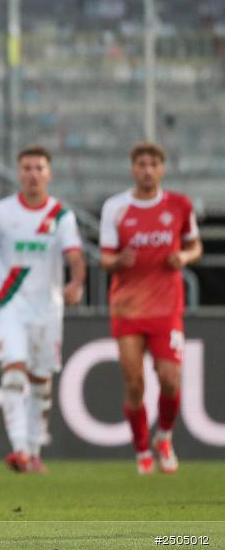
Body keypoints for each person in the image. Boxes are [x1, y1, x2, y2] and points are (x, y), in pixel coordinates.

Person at [0, 145, 85, 473]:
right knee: (14, 371)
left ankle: (32, 449)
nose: (32, 174)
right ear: (19, 173)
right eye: (26, 168)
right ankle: (19, 449)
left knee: (42, 381)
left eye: (39, 168)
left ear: (49, 174)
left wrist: (77, 282)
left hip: (48, 309)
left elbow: (75, 256)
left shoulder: (62, 216)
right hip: (9, 305)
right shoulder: (1, 213)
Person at [99, 142, 202, 475]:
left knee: (170, 380)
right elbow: (104, 258)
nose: (146, 169)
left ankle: (164, 437)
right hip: (127, 308)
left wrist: (183, 257)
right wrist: (117, 261)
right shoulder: (115, 207)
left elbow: (195, 245)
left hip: (167, 307)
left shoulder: (179, 205)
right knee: (134, 385)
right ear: (132, 168)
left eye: (153, 164)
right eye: (141, 163)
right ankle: (142, 449)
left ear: (162, 169)